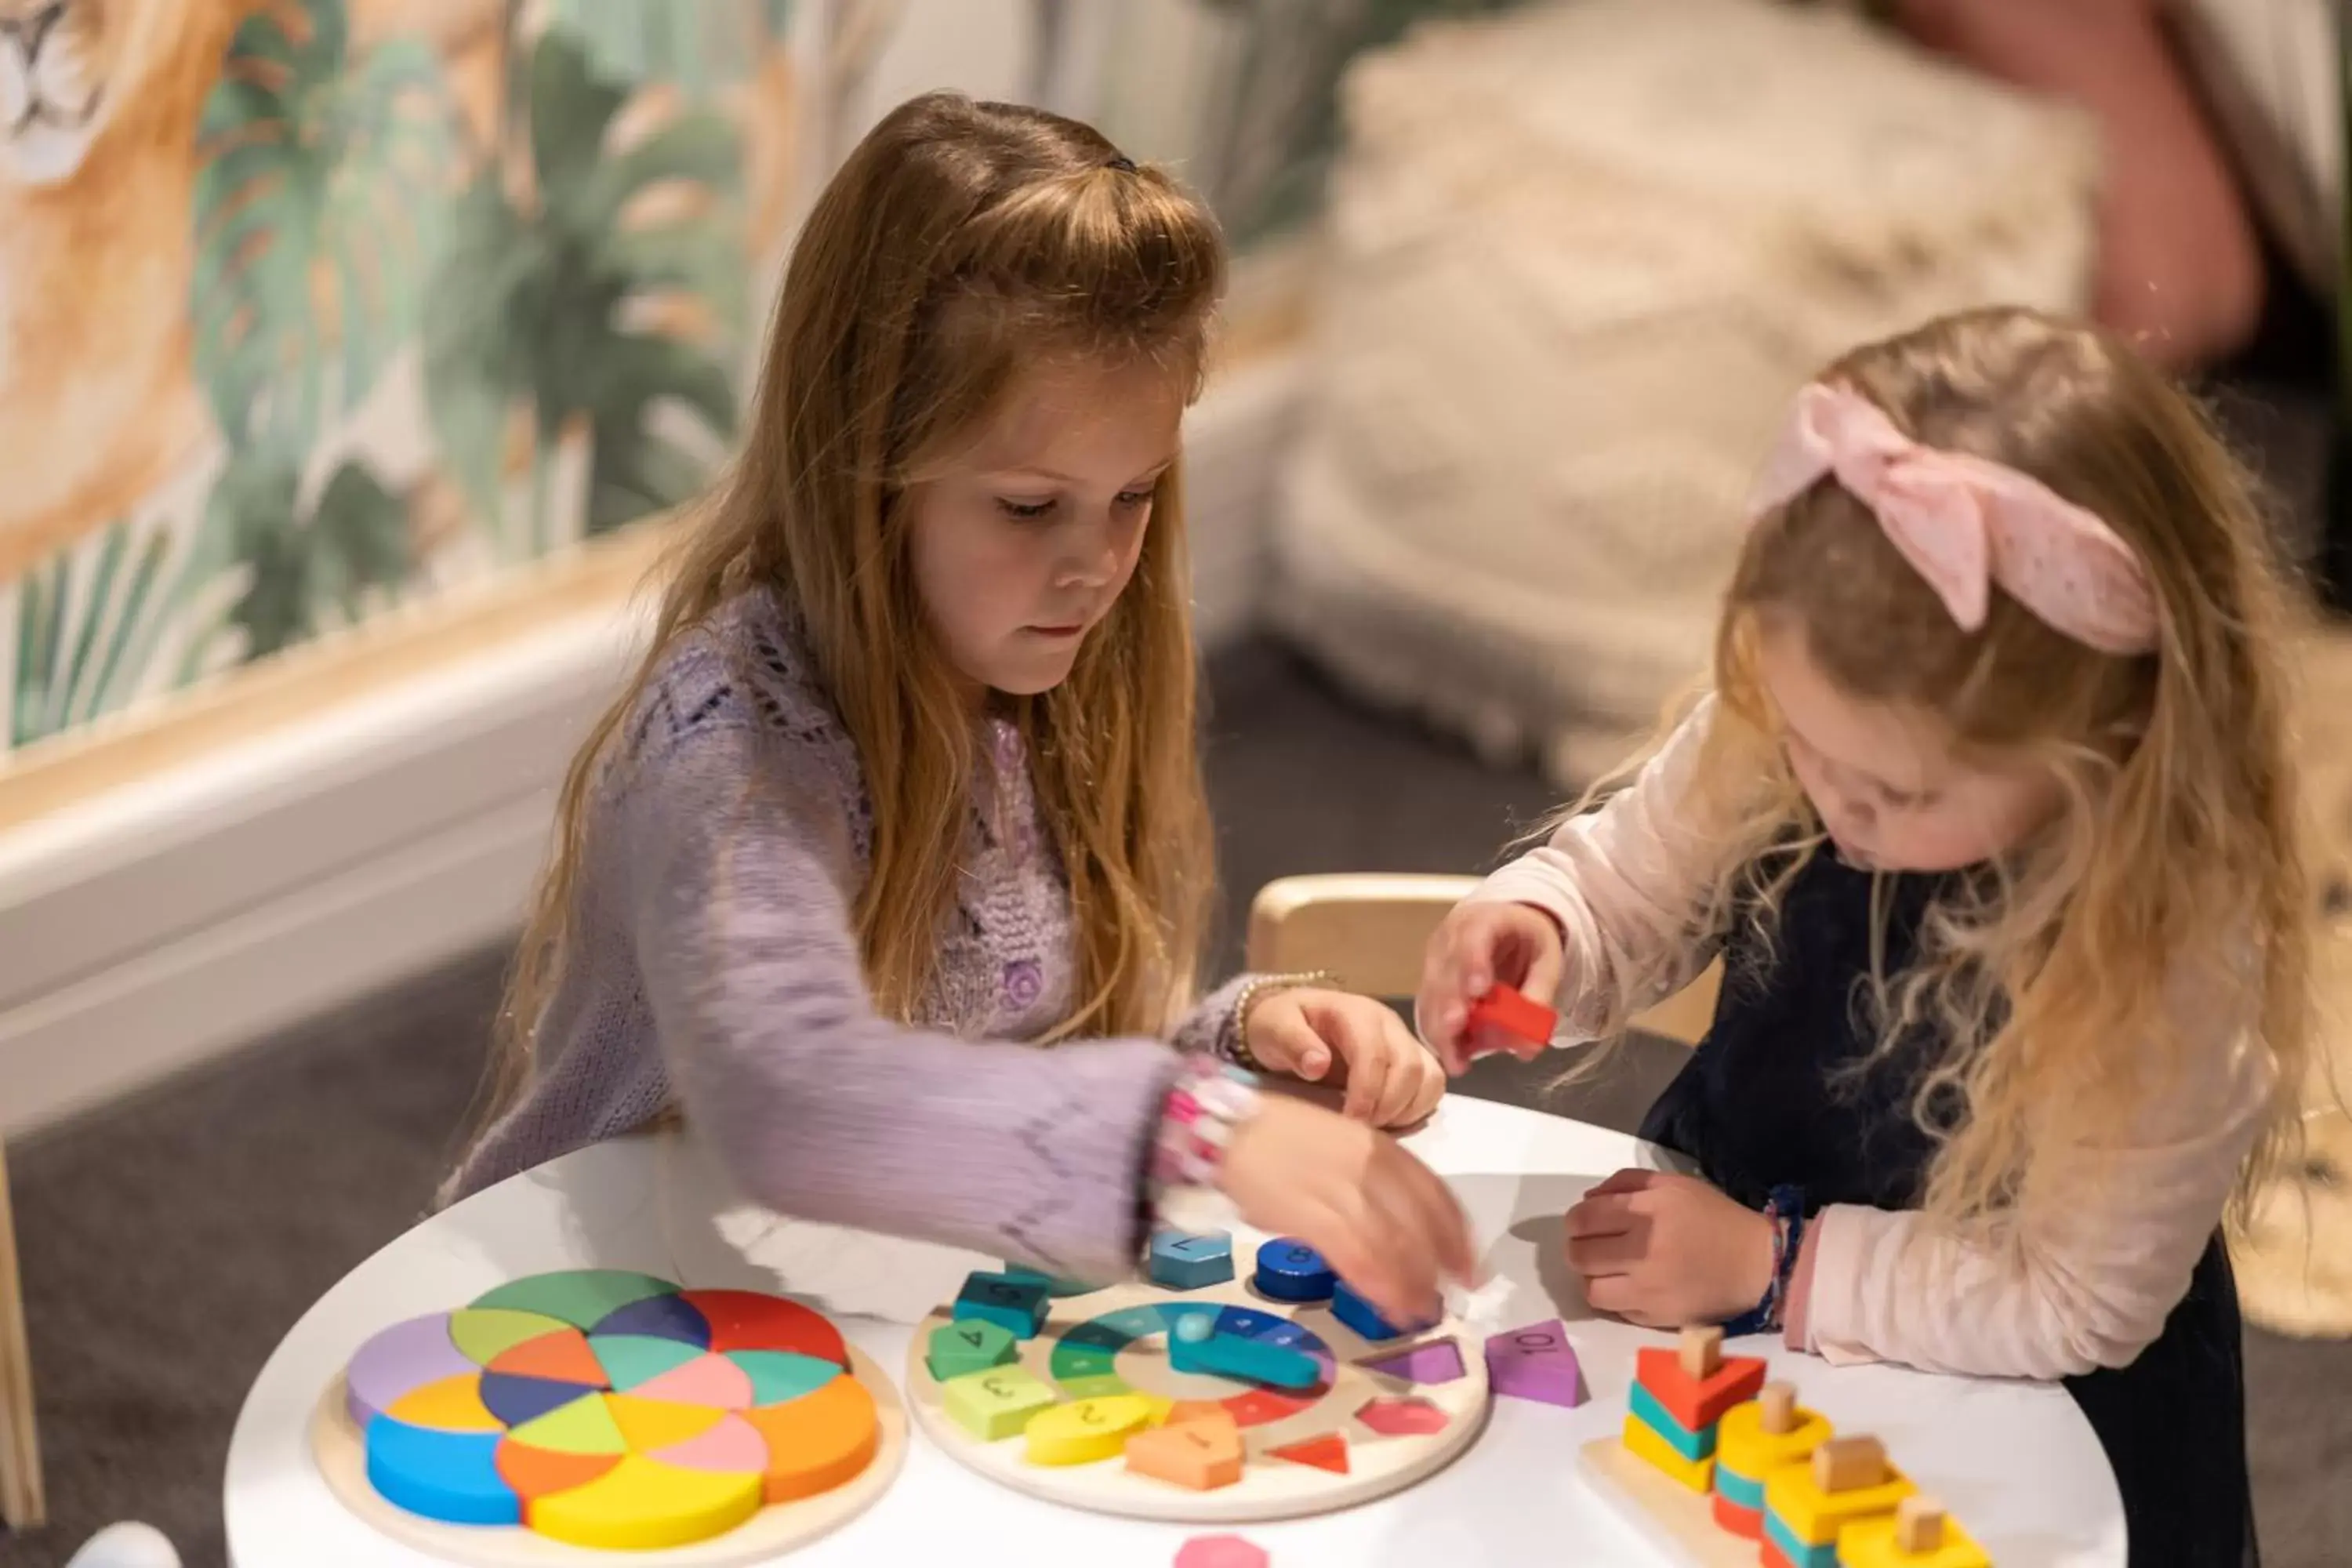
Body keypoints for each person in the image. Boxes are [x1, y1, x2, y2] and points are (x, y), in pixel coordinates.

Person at [444, 93, 1468, 1325]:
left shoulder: (1040, 676)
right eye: (1031, 507)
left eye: (1135, 494)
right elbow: (793, 1099)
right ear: (864, 465)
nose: (1097, 566)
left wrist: (1233, 1043)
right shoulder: (730, 742)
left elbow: (1009, 1075)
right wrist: (1196, 1130)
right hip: (588, 1326)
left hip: (846, 1319)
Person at [1420, 307, 2309, 1563]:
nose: (1837, 805)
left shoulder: (2170, 954)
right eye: (1805, 746)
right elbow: (1639, 883)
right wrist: (1547, 927)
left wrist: (1775, 1267)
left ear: (2109, 744)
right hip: (1719, 1290)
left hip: (2014, 1389)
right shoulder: (1814, 717)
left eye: (1900, 796)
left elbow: (2071, 1302)